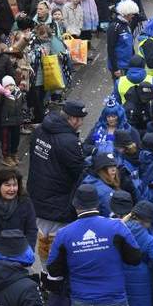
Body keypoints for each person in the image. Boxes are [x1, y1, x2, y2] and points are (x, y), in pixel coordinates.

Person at [28, 101, 88, 267]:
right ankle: (55, 275)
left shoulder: (40, 130)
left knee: (43, 240)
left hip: (37, 197)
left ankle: (45, 273)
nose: (81, 123)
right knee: (58, 246)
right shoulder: (68, 141)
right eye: (80, 119)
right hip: (58, 204)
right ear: (73, 119)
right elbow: (80, 171)